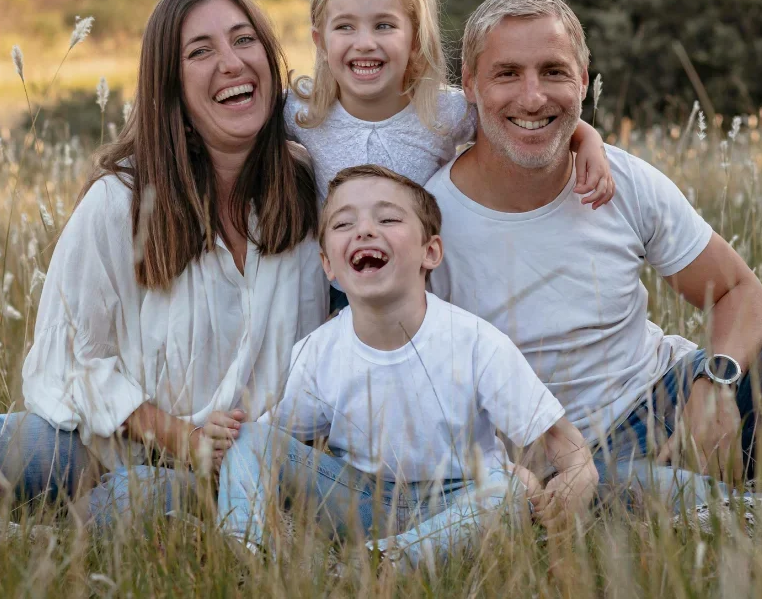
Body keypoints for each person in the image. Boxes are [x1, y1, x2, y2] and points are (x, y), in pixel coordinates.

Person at [425, 0, 762, 508]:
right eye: (507, 74)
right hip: (564, 466)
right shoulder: (428, 220)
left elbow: (739, 292)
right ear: (470, 84)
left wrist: (716, 381)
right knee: (686, 503)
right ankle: (753, 511)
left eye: (553, 72)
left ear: (583, 81)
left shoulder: (623, 179)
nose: (532, 97)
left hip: (673, 402)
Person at [0, 0, 327, 528]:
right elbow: (75, 362)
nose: (232, 63)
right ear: (170, 85)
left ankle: (11, 539)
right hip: (98, 448)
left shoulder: (309, 187)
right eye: (200, 51)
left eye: (244, 39)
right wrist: (186, 439)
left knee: (143, 501)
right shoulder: (122, 200)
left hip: (236, 476)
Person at [216, 165, 600, 570]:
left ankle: (377, 564)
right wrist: (229, 443)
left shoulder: (475, 343)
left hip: (456, 500)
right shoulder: (318, 351)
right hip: (361, 502)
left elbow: (560, 438)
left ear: (429, 252)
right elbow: (275, 444)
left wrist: (578, 471)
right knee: (250, 439)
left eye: (388, 219)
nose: (365, 230)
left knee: (506, 495)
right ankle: (245, 554)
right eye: (344, 223)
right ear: (328, 265)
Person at [284, 0, 616, 312]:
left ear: (415, 40)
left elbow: (520, 120)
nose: (364, 42)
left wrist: (587, 139)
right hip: (337, 281)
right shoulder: (303, 110)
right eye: (344, 27)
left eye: (384, 26)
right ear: (320, 40)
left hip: (427, 281)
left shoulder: (444, 112)